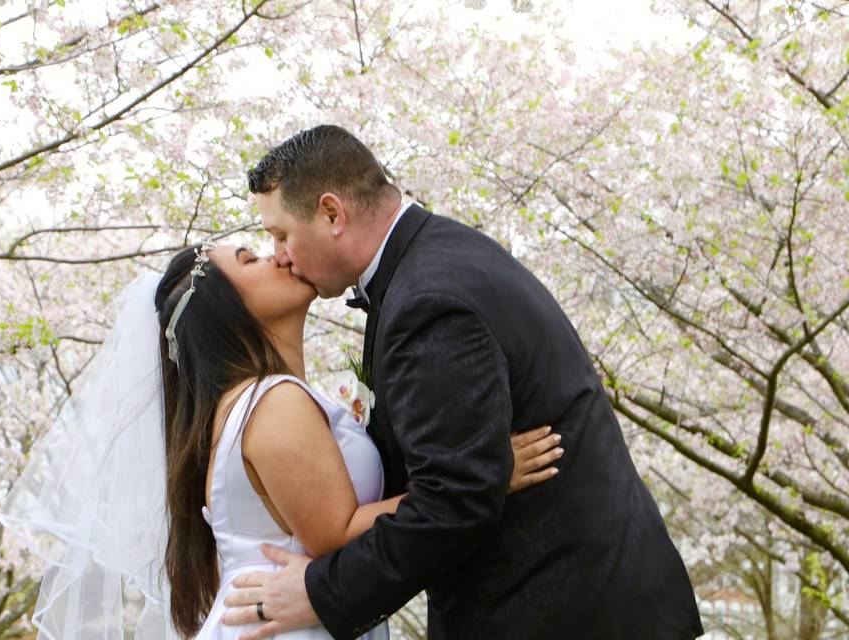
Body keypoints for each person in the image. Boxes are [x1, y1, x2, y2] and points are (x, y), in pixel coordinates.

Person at [221, 125, 705, 639]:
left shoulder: (426, 301)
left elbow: (454, 502)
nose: (280, 255)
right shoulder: (441, 256)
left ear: (332, 214)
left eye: (280, 235)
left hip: (557, 611)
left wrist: (323, 591)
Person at [0, 239, 562, 639]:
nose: (276, 255)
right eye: (251, 258)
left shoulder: (262, 400)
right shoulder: (272, 401)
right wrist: (482, 473)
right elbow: (333, 532)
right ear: (226, 308)